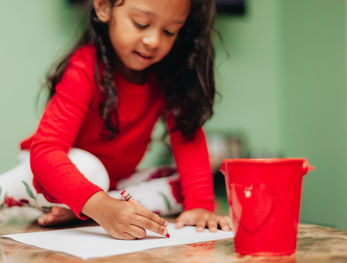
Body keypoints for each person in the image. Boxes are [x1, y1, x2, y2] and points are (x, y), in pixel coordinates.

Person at [0, 0, 232, 239]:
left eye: (169, 31)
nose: (154, 41)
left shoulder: (167, 75)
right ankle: (82, 205)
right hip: (48, 172)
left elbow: (188, 139)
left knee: (183, 183)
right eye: (141, 24)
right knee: (91, 170)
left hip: (111, 185)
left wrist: (200, 206)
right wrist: (100, 204)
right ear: (103, 7)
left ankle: (88, 210)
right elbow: (46, 151)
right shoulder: (84, 66)